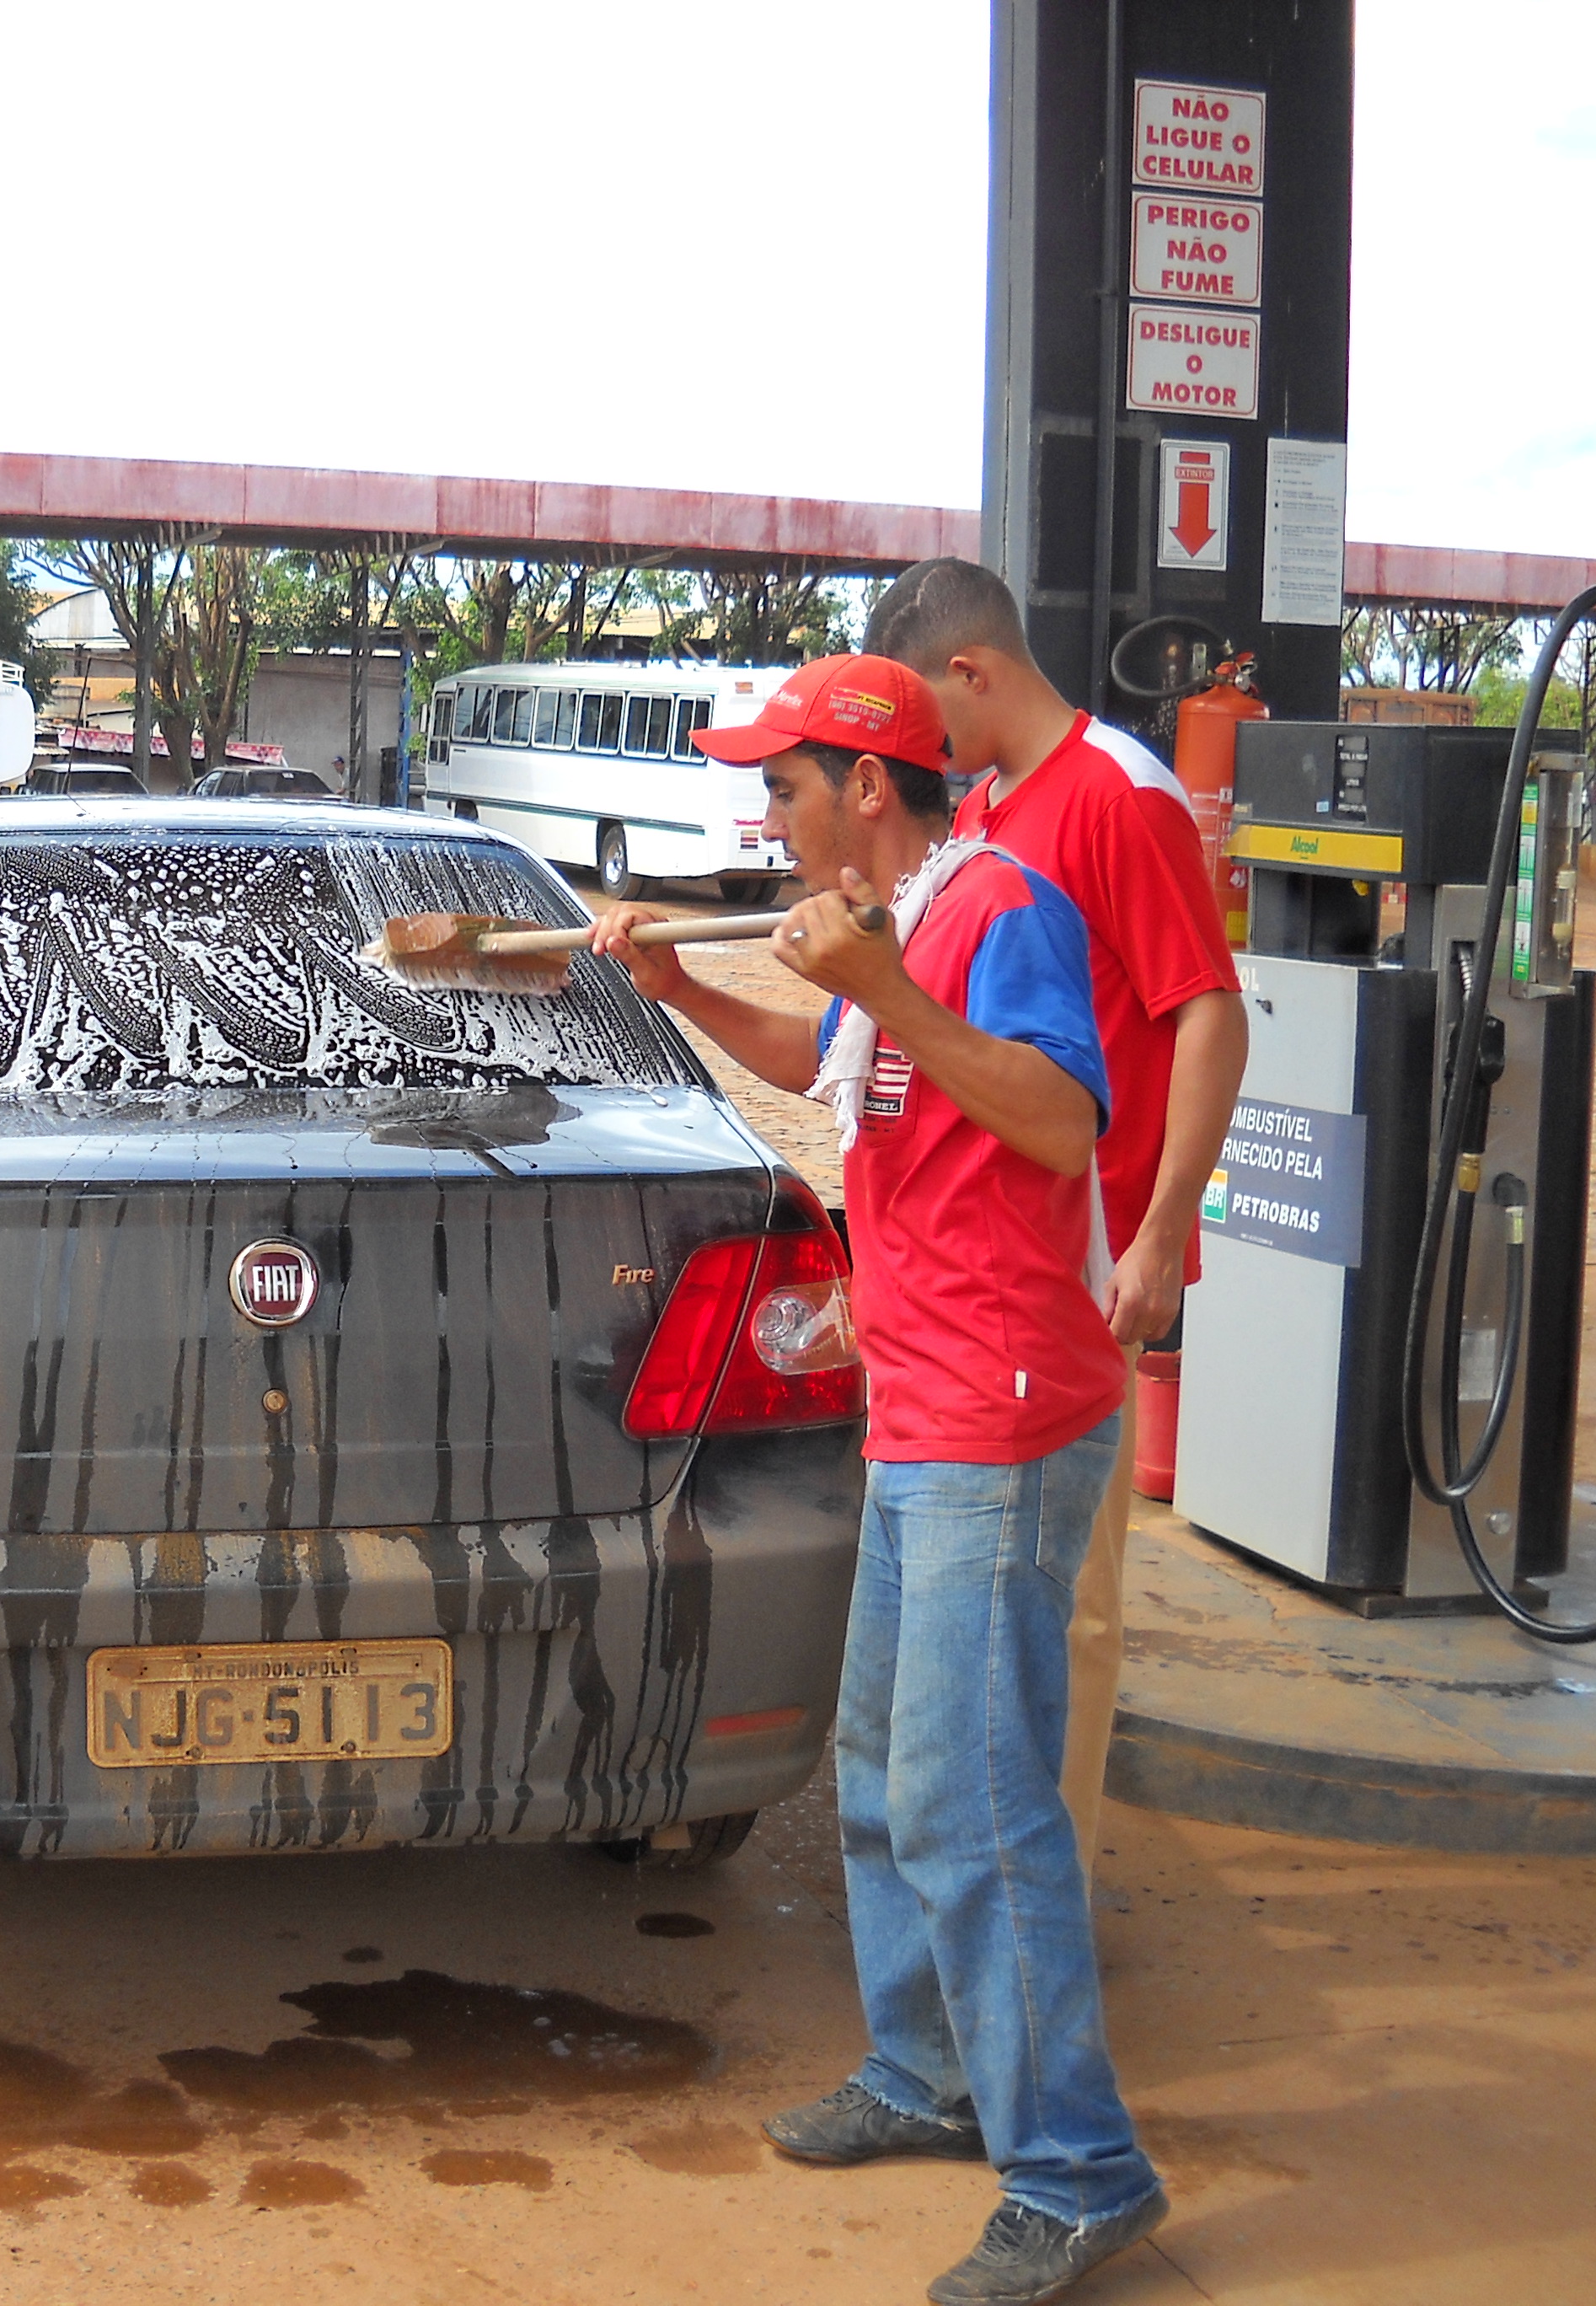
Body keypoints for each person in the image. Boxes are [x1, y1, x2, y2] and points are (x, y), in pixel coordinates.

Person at [591, 654, 1165, 2306]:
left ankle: (1080, 2171)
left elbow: (1066, 1120)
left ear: (867, 784)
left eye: (780, 783)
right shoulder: (877, 930)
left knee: (980, 1804)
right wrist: (693, 995)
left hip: (1002, 1413)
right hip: (921, 1405)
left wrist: (894, 989)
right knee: (880, 1776)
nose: (761, 812)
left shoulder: (1001, 912)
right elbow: (839, 1062)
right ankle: (928, 2074)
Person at [865, 559, 1246, 1874]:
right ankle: (1007, 1895)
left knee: (1070, 1608)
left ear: (970, 672)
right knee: (1018, 1609)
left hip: (1092, 1266)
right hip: (1001, 1270)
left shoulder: (1116, 795)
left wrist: (1157, 1235)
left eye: (925, 708)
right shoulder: (984, 812)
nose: (918, 747)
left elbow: (1209, 1011)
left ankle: (1045, 1904)